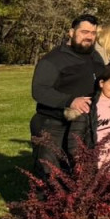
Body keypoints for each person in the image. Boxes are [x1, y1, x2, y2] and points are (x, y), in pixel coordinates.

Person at [30, 14, 103, 173]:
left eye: (93, 33)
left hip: (83, 124)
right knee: (49, 172)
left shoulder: (95, 56)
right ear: (71, 32)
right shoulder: (54, 59)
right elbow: (39, 89)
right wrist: (70, 101)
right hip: (53, 123)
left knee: (77, 170)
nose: (89, 37)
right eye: (84, 32)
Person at [67, 65, 110, 167]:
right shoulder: (88, 105)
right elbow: (75, 138)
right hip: (94, 165)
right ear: (102, 83)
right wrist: (79, 162)